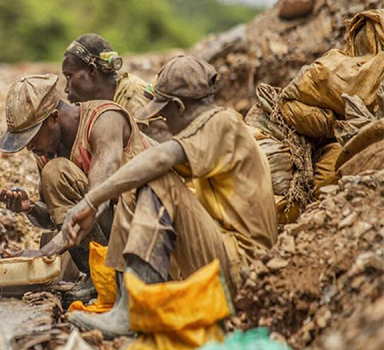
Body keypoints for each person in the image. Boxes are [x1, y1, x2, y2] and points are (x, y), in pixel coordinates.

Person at [60, 55, 278, 338]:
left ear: (178, 106)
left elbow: (160, 159)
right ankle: (124, 299)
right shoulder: (211, 133)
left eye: (165, 114)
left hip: (242, 267)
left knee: (155, 178)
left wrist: (91, 200)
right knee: (136, 177)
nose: (164, 123)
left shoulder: (222, 123)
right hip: (222, 254)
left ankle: (133, 310)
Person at [0, 74, 153, 302]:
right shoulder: (46, 149)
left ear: (53, 118)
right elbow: (59, 217)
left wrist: (46, 251)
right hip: (113, 233)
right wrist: (30, 208)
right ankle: (98, 275)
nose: (29, 146)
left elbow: (95, 203)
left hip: (145, 230)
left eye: (31, 136)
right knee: (54, 172)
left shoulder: (104, 120)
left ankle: (112, 277)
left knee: (55, 171)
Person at [62, 33, 172, 143]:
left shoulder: (132, 97)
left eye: (69, 76)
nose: (66, 89)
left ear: (91, 70)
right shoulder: (102, 105)